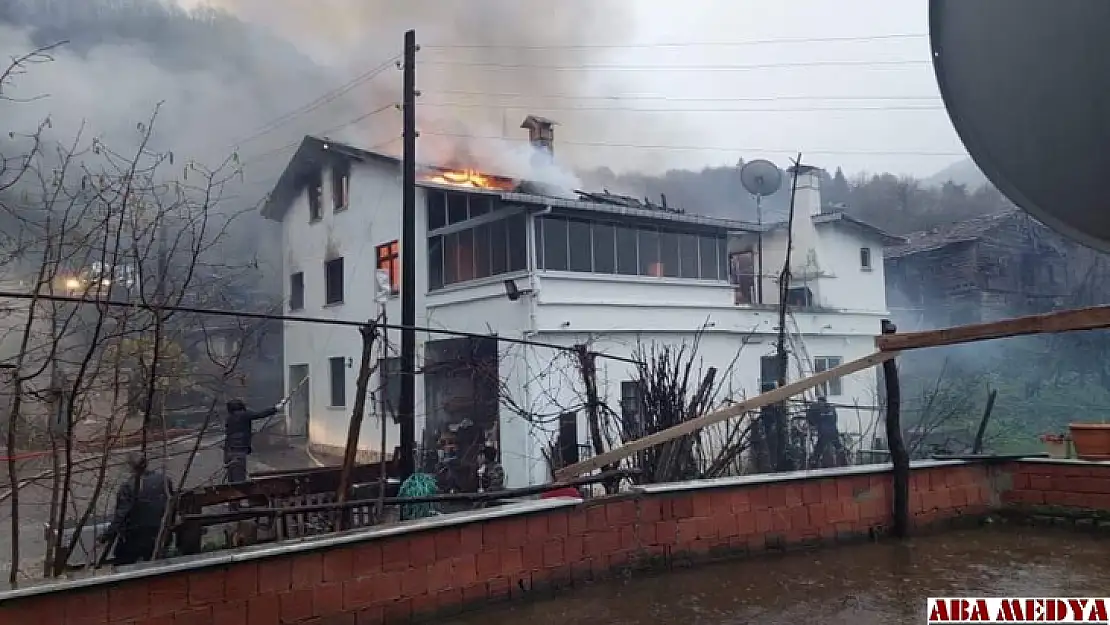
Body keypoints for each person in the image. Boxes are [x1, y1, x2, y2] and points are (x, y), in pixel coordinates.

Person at [98, 453, 173, 566]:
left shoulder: (128, 487)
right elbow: (171, 505)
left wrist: (107, 535)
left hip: (136, 536)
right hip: (160, 532)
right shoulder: (165, 480)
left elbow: (121, 515)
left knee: (121, 562)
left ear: (130, 467)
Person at [224, 398, 284, 484]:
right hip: (239, 451)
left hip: (228, 451)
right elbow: (260, 414)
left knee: (231, 477)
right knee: (239, 479)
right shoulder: (244, 414)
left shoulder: (229, 418)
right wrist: (276, 408)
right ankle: (240, 494)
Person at [807, 396, 848, 468]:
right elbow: (835, 419)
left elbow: (811, 420)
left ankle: (813, 464)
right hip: (833, 431)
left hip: (823, 433)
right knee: (838, 446)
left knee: (818, 449)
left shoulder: (816, 408)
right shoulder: (831, 408)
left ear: (819, 401)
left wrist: (814, 424)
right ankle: (844, 461)